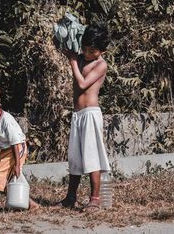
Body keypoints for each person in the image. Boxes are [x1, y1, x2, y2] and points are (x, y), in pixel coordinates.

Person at [56, 22, 111, 210]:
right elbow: (62, 45)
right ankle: (70, 197)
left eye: (92, 50)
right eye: (84, 48)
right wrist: (65, 31)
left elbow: (82, 84)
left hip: (90, 114)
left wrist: (73, 62)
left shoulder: (101, 64)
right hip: (78, 114)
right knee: (75, 158)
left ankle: (94, 199)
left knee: (91, 156)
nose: (87, 53)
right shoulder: (80, 58)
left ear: (101, 51)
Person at [0, 87, 39, 210]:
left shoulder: (6, 120)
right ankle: (32, 205)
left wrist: (17, 164)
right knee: (6, 180)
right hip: (6, 150)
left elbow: (15, 143)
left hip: (17, 148)